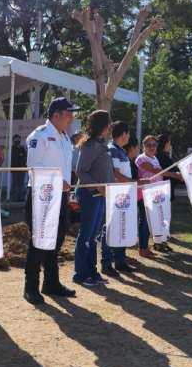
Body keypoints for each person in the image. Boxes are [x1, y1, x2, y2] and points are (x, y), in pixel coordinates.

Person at [23, 97, 79, 304]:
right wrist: (58, 182)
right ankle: (30, 286)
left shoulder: (64, 137)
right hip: (42, 196)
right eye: (68, 113)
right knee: (38, 241)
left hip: (60, 196)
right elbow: (34, 168)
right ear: (55, 115)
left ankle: (51, 282)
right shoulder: (40, 136)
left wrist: (67, 182)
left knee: (56, 240)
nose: (71, 117)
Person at [73, 110, 113, 287]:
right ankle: (80, 274)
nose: (111, 126)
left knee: (94, 235)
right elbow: (80, 170)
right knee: (86, 235)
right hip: (90, 195)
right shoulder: (90, 145)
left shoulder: (102, 144)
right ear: (104, 125)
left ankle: (92, 271)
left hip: (100, 196)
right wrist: (98, 186)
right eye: (109, 123)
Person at [99, 121, 137, 276]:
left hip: (122, 197)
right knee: (109, 229)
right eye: (128, 134)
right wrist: (133, 182)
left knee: (122, 227)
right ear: (123, 134)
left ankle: (120, 261)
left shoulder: (120, 150)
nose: (128, 137)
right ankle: (106, 263)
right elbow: (115, 174)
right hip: (114, 197)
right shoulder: (112, 150)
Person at [135, 135, 176, 258]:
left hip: (155, 195)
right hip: (144, 194)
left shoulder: (154, 158)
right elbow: (156, 172)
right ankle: (142, 248)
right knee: (145, 222)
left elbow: (158, 174)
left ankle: (146, 246)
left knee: (151, 222)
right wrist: (175, 175)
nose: (151, 147)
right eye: (148, 145)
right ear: (144, 147)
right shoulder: (141, 159)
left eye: (154, 145)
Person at [153, 134, 179, 253]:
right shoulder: (160, 157)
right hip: (162, 191)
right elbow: (165, 172)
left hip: (166, 190)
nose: (170, 145)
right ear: (165, 143)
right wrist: (177, 175)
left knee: (165, 219)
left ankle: (163, 241)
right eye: (169, 142)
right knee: (161, 218)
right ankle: (159, 243)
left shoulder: (162, 156)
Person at [10, 134, 27, 201]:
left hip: (22, 169)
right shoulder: (12, 148)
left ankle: (21, 197)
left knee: (21, 184)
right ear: (13, 140)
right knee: (15, 184)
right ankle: (14, 198)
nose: (17, 140)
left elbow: (25, 157)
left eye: (18, 139)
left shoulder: (22, 148)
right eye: (16, 139)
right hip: (14, 168)